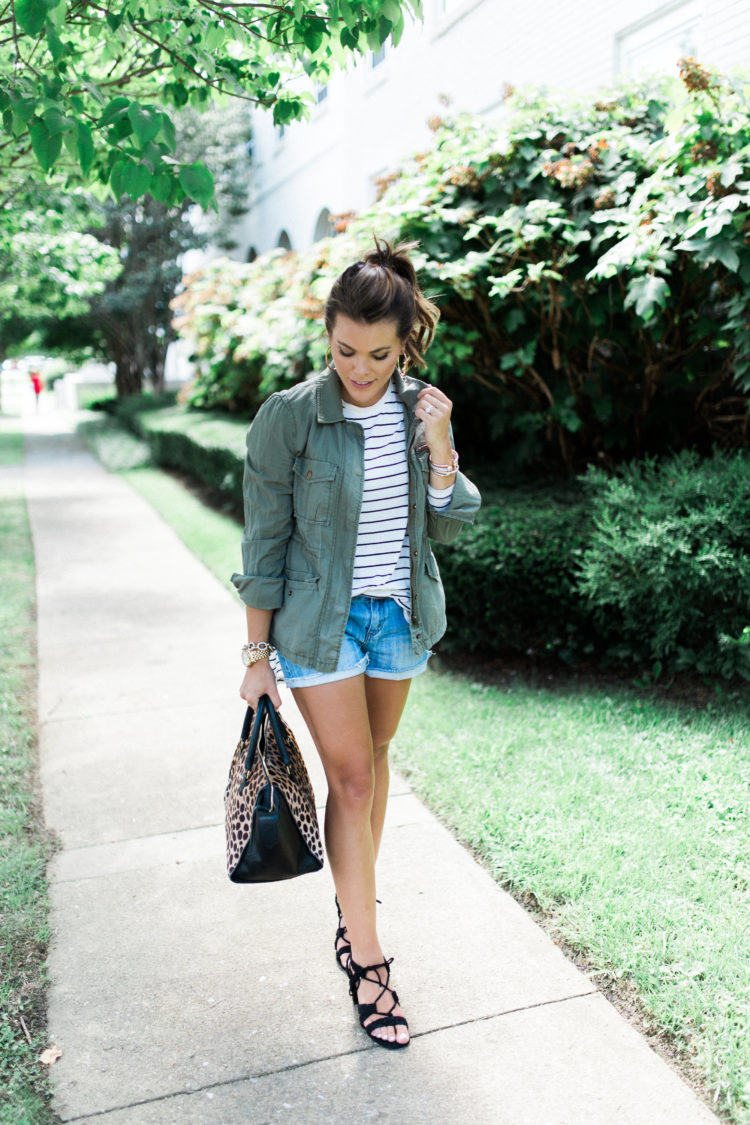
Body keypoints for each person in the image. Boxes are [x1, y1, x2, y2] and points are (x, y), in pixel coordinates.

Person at [232, 237, 480, 1050]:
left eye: (379, 353)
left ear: (405, 342)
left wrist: (441, 446)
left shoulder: (419, 410)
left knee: (371, 769)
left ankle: (353, 908)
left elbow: (449, 518)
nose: (361, 368)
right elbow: (264, 542)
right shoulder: (291, 416)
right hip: (318, 623)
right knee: (353, 776)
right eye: (345, 350)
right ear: (327, 331)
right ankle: (368, 957)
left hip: (399, 618)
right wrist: (254, 656)